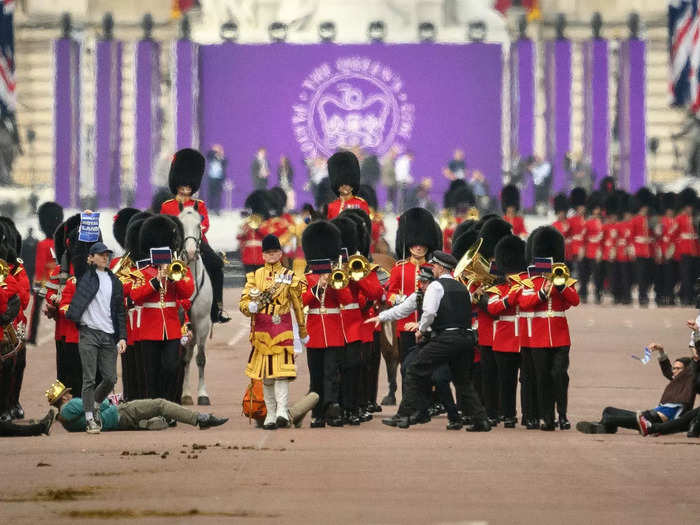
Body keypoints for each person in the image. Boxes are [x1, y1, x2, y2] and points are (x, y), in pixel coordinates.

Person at [381, 251, 489, 431]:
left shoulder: (435, 286)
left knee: (415, 369)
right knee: (462, 381)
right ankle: (481, 420)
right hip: (465, 338)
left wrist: (421, 329)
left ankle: (404, 415)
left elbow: (430, 312)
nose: (433, 269)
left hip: (446, 337)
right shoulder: (461, 287)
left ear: (439, 267)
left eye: (434, 266)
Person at [239, 234, 308, 430]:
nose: (271, 255)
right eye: (268, 252)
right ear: (263, 255)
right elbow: (243, 302)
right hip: (261, 330)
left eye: (275, 252)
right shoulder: (255, 276)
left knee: (281, 374)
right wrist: (250, 306)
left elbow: (298, 306)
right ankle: (270, 414)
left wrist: (302, 332)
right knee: (267, 377)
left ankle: (281, 412)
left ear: (280, 253)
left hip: (282, 328)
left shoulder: (290, 276)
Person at [60, 241, 127, 435]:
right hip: (88, 332)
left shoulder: (116, 282)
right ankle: (89, 419)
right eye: (100, 254)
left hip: (109, 335)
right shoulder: (85, 276)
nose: (105, 257)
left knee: (110, 378)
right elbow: (79, 253)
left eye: (107, 254)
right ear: (91, 258)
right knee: (88, 379)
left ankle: (96, 405)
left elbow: (120, 312)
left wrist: (122, 337)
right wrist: (85, 235)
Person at [518, 227, 580, 430]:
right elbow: (525, 302)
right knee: (542, 377)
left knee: (559, 375)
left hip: (560, 336)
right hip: (538, 337)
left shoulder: (561, 278)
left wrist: (561, 285)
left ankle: (562, 415)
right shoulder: (530, 281)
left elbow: (575, 301)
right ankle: (548, 417)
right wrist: (543, 293)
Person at [129, 216, 194, 404]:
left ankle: (167, 406)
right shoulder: (143, 271)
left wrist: (173, 277)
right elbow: (135, 296)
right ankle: (154, 410)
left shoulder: (178, 269)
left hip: (172, 328)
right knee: (151, 373)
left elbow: (188, 292)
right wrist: (156, 281)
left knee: (172, 367)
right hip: (149, 329)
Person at [159, 148, 230, 323]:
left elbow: (205, 225)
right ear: (177, 185)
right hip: (173, 245)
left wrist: (194, 234)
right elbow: (163, 225)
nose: (186, 189)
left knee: (216, 264)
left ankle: (217, 308)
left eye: (189, 186)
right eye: (183, 186)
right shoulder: (167, 206)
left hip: (197, 242)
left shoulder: (199, 205)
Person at [577, 342, 700, 435]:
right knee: (608, 410)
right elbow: (667, 370)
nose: (674, 371)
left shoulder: (689, 379)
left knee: (609, 417)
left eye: (678, 368)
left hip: (655, 420)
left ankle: (605, 426)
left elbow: (694, 365)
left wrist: (695, 346)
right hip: (647, 415)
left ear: (687, 371)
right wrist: (661, 351)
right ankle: (606, 427)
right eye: (674, 368)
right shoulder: (676, 380)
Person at [386, 208, 442, 405]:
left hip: (428, 324)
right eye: (415, 244)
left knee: (429, 365)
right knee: (405, 366)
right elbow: (389, 293)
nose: (418, 247)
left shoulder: (434, 269)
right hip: (406, 324)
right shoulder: (399, 269)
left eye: (422, 244)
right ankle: (408, 401)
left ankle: (427, 400)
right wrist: (397, 299)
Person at [46, 380, 227, 432]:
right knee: (160, 404)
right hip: (120, 412)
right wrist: (111, 402)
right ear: (63, 397)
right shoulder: (71, 406)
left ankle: (161, 421)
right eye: (67, 393)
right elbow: (97, 406)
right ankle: (199, 419)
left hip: (116, 422)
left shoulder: (67, 421)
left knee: (157, 419)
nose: (70, 394)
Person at [301, 220, 346, 427]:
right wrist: (318, 285)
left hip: (334, 330)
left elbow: (345, 299)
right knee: (316, 375)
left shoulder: (338, 275)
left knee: (332, 374)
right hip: (315, 331)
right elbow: (303, 301)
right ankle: (317, 412)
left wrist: (334, 282)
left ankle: (332, 410)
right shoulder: (307, 278)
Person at [325, 151, 370, 219]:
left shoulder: (360, 204)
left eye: (348, 183)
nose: (344, 186)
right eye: (340, 184)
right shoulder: (331, 207)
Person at [206, 144, 227, 215]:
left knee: (218, 195)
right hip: (211, 179)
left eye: (218, 149)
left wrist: (221, 156)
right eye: (216, 149)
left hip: (219, 179)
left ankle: (217, 210)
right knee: (211, 194)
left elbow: (225, 163)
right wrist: (214, 151)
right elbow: (208, 154)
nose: (217, 151)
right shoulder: (211, 157)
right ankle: (210, 208)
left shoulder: (222, 158)